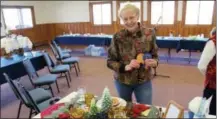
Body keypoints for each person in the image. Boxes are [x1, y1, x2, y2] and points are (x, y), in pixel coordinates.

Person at [107, 2, 158, 105]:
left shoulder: (149, 33)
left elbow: (155, 55)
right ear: (122, 20)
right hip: (123, 81)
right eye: (125, 19)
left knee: (145, 109)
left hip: (144, 81)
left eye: (132, 17)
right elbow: (110, 61)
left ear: (138, 16)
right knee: (125, 110)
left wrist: (155, 62)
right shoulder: (117, 37)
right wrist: (125, 67)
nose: (129, 21)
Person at [198, 27, 216, 115]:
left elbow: (201, 66)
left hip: (212, 85)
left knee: (206, 111)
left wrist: (209, 76)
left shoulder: (212, 42)